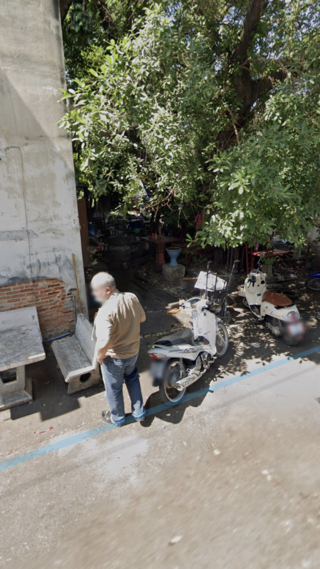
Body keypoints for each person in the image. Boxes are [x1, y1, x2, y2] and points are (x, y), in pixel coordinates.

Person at [91, 272, 146, 427]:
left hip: (115, 359)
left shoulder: (104, 311)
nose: (94, 294)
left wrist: (100, 357)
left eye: (96, 290)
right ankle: (139, 412)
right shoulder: (131, 297)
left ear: (107, 290)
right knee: (133, 378)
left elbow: (104, 342)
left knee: (114, 389)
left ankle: (118, 418)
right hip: (133, 352)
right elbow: (142, 318)